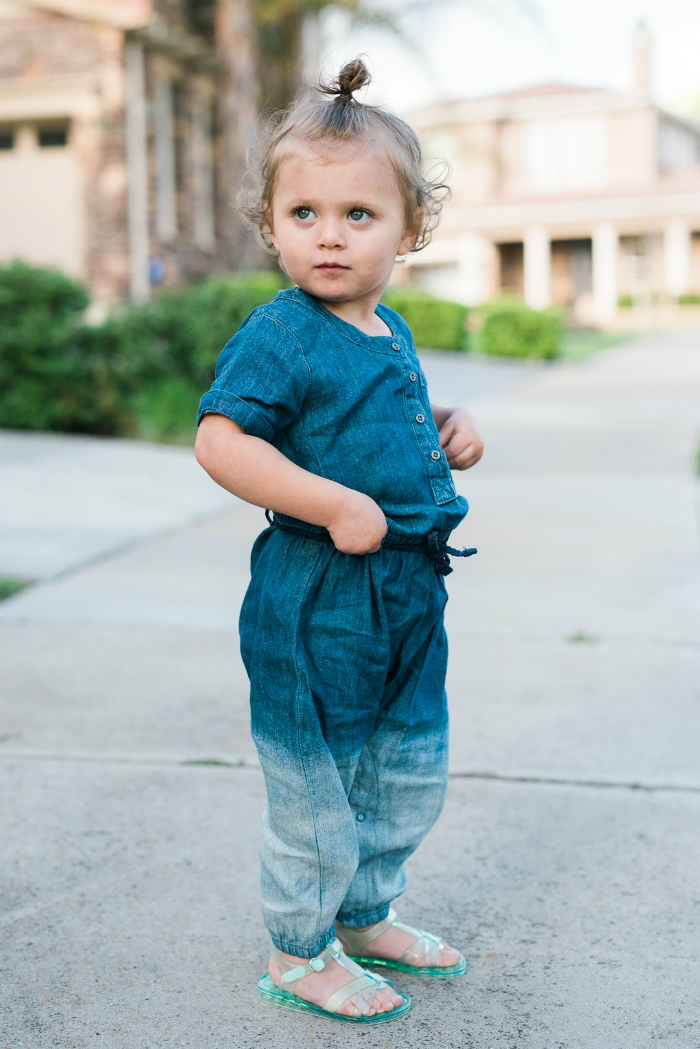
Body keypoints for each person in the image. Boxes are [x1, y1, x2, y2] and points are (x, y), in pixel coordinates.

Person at [194, 58, 484, 1026]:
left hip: (404, 598)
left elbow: (373, 415)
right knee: (316, 782)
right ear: (271, 223)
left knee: (400, 767)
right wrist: (326, 502)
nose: (328, 234)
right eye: (304, 212)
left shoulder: (386, 326)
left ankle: (363, 912)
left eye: (358, 214)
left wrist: (442, 425)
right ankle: (297, 945)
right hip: (317, 598)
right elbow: (221, 440)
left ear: (410, 230)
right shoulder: (280, 331)